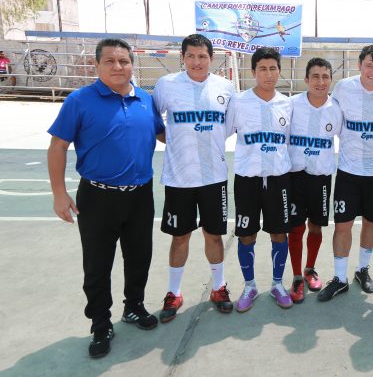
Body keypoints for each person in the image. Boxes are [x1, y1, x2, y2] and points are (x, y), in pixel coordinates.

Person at [47, 38, 164, 358]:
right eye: (110, 61)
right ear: (97, 65)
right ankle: (100, 322)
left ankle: (134, 306)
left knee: (139, 257)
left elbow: (163, 134)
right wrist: (60, 193)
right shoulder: (80, 100)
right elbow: (58, 146)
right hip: (97, 198)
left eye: (124, 61)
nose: (118, 67)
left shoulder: (145, 99)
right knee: (98, 264)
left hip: (140, 196)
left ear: (132, 65)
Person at [152, 34, 237, 323]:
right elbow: (154, 123)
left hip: (214, 177)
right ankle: (174, 292)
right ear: (183, 58)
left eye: (202, 56)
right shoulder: (167, 85)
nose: (197, 61)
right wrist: (175, 141)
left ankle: (218, 287)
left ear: (211, 59)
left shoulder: (225, 87)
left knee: (214, 235)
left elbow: (229, 127)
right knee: (180, 237)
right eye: (191, 56)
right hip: (179, 178)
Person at [318, 44, 373, 301]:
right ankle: (339, 278)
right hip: (349, 170)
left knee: (371, 222)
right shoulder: (344, 88)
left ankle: (362, 270)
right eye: (369, 65)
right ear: (360, 65)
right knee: (343, 224)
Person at [227, 47, 294, 312]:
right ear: (253, 72)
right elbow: (222, 133)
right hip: (247, 180)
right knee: (247, 235)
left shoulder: (287, 103)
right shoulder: (239, 102)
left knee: (279, 232)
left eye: (273, 68)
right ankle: (250, 285)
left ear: (280, 71)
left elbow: (289, 141)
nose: (268, 74)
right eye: (262, 69)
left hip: (279, 180)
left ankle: (278, 284)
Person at [286, 57, 343, 303]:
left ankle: (310, 269)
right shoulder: (290, 105)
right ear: (306, 79)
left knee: (316, 226)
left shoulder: (337, 109)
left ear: (331, 80)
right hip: (294, 175)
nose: (321, 82)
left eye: (325, 77)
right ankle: (297, 276)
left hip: (320, 177)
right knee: (296, 227)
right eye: (315, 77)